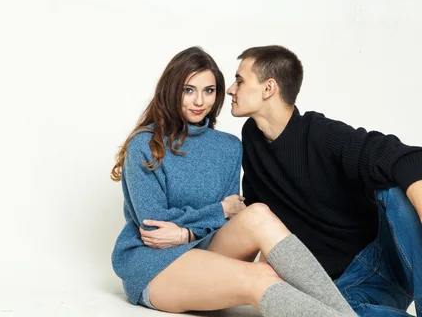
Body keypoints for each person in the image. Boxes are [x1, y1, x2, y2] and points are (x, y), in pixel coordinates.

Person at [146, 45, 422, 316]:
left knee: (394, 184)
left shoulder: (321, 134)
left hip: (390, 254)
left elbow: (410, 159)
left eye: (240, 81)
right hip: (345, 289)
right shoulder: (251, 139)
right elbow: (257, 219)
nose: (229, 89)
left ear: (268, 88)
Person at [110, 46, 357, 316]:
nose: (199, 101)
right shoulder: (145, 145)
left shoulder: (228, 147)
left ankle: (345, 313)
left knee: (258, 214)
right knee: (262, 277)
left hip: (205, 250)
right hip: (153, 264)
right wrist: (220, 209)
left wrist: (188, 233)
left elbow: (226, 222)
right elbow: (154, 227)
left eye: (209, 90)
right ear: (171, 90)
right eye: (188, 90)